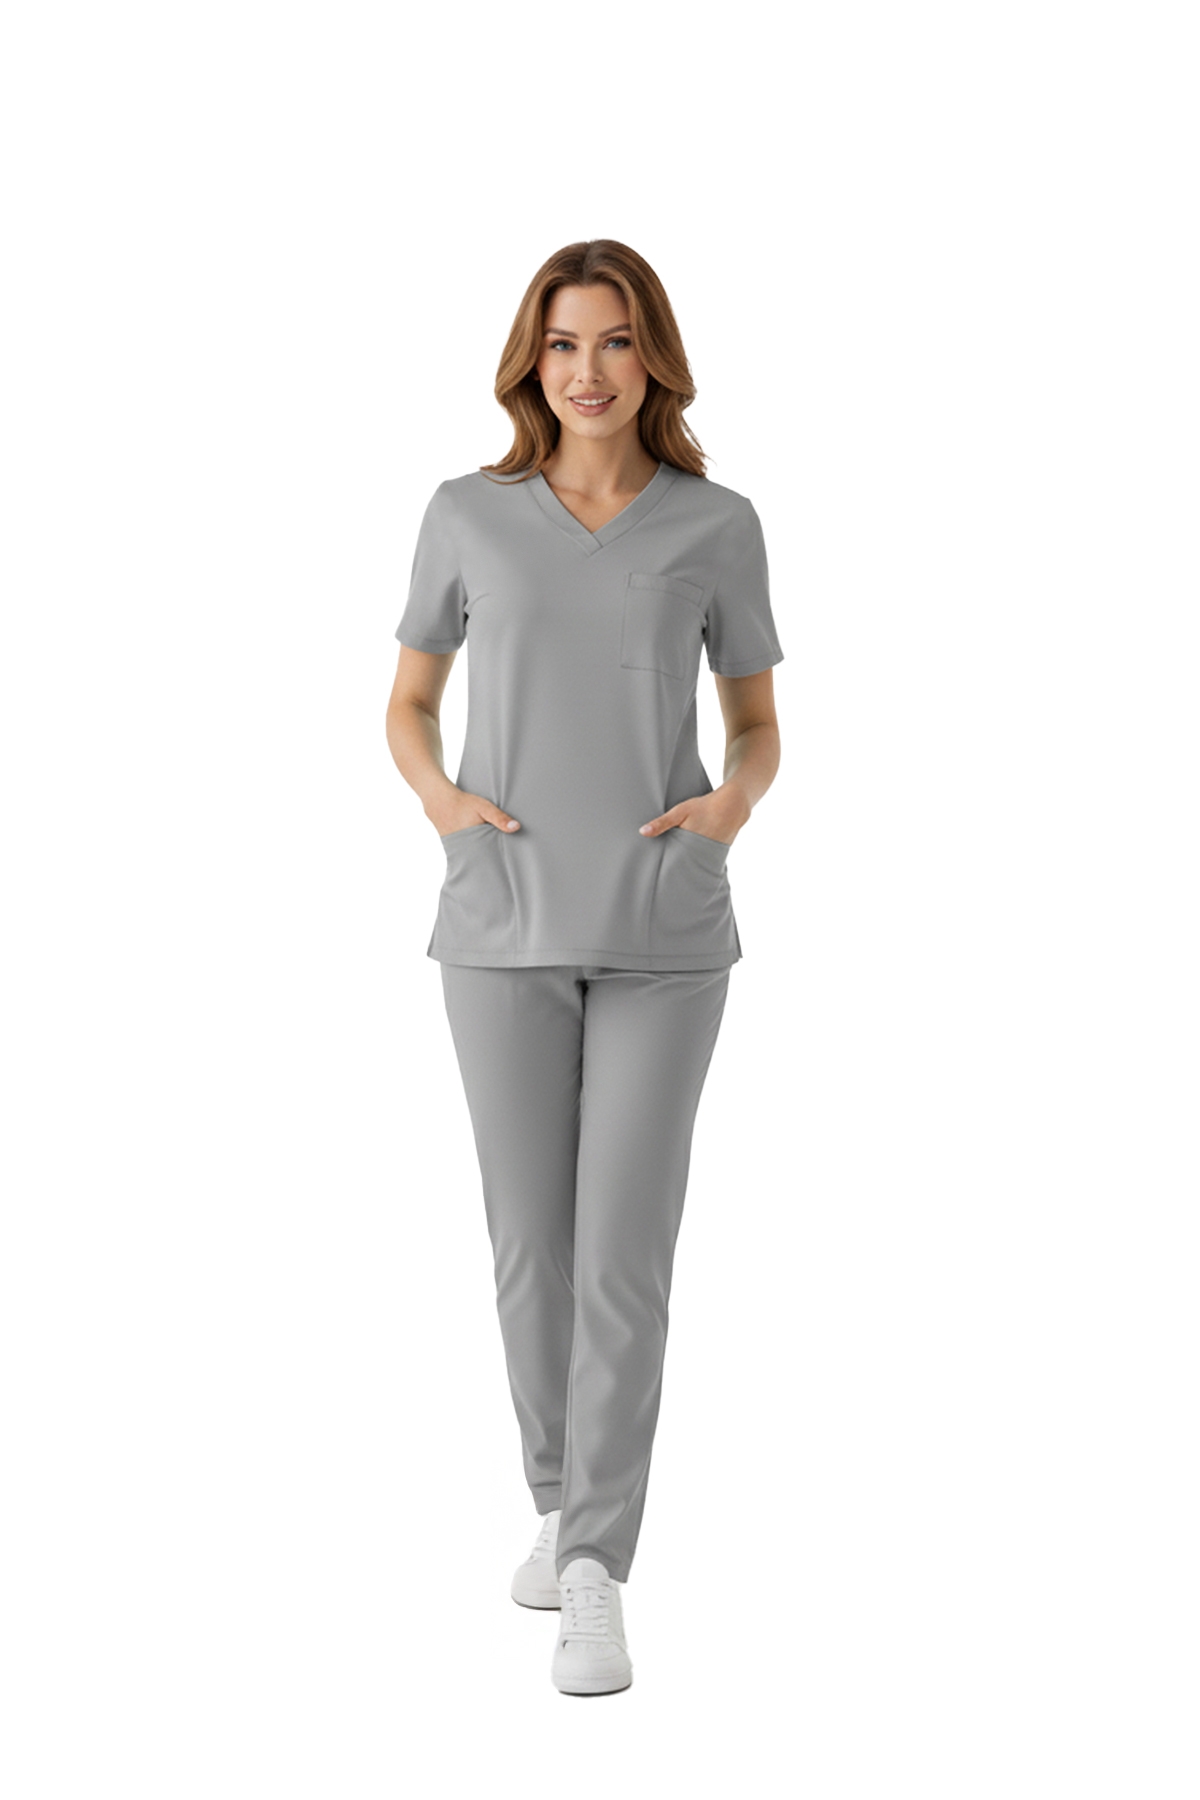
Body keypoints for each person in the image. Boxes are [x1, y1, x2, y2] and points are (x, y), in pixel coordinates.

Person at [384, 239, 783, 1695]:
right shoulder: (466, 515)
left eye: (615, 341)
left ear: (652, 356)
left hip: (663, 933)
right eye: (563, 343)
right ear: (531, 361)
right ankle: (561, 1503)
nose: (589, 370)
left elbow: (757, 728)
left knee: (624, 1252)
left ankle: (599, 1566)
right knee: (530, 1248)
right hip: (499, 921)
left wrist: (725, 814)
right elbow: (409, 703)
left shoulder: (716, 524)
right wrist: (446, 806)